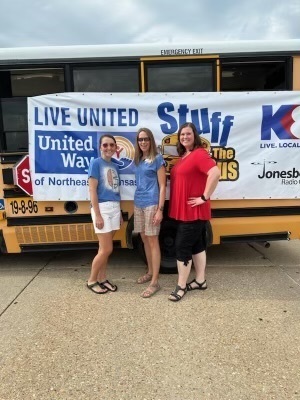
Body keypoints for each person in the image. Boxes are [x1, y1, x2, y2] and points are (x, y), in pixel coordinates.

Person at [168, 122, 220, 302]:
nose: (184, 137)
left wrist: (204, 197)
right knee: (197, 246)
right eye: (182, 135)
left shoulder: (199, 154)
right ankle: (200, 281)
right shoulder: (185, 156)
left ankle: (181, 286)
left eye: (188, 134)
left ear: (194, 135)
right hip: (185, 213)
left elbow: (215, 173)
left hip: (193, 212)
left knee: (182, 248)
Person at [87, 134, 122, 294]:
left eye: (111, 145)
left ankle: (102, 278)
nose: (109, 148)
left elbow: (116, 189)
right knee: (106, 249)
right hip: (102, 208)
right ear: (100, 147)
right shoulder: (95, 163)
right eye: (105, 145)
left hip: (114, 208)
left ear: (115, 148)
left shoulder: (115, 165)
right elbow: (92, 190)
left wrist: (119, 211)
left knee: (104, 248)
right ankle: (92, 280)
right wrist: (98, 215)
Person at [134, 127, 166, 298]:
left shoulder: (157, 159)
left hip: (152, 204)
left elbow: (162, 186)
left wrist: (160, 210)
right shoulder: (139, 159)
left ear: (151, 140)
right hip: (138, 202)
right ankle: (150, 271)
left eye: (146, 139)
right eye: (140, 139)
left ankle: (155, 282)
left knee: (153, 240)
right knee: (144, 238)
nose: (143, 142)